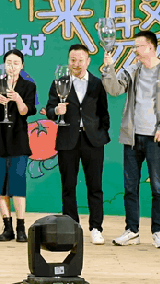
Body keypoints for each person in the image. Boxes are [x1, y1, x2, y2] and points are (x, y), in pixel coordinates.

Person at [101, 30, 160, 249]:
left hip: (156, 139)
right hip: (132, 138)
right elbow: (114, 90)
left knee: (157, 187)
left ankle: (158, 231)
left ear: (150, 47)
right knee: (130, 187)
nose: (134, 51)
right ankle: (132, 231)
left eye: (137, 47)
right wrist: (109, 68)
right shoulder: (132, 70)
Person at [43, 43, 110, 244]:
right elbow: (49, 110)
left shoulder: (97, 84)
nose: (76, 64)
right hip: (67, 141)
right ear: (68, 61)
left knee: (95, 186)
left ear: (88, 61)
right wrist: (57, 111)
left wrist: (100, 132)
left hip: (93, 141)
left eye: (81, 60)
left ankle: (96, 228)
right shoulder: (59, 83)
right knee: (68, 186)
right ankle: (71, 227)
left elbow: (104, 113)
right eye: (73, 60)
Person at [0, 49, 36, 243]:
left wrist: (18, 98)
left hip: (17, 139)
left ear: (22, 66)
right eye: (9, 62)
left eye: (16, 63)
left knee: (17, 184)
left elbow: (26, 111)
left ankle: (21, 227)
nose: (12, 66)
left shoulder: (28, 86)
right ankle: (7, 226)